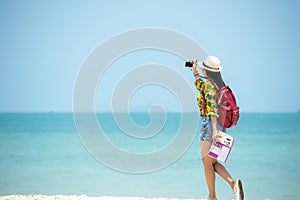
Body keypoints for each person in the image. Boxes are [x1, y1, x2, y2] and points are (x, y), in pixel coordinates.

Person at [190, 56, 244, 200]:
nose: (201, 69)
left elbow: (212, 108)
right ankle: (233, 185)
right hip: (220, 126)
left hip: (211, 125)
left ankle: (213, 196)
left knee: (206, 162)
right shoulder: (217, 84)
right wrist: (194, 72)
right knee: (212, 162)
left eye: (203, 68)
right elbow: (200, 86)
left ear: (207, 71)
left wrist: (214, 130)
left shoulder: (209, 86)